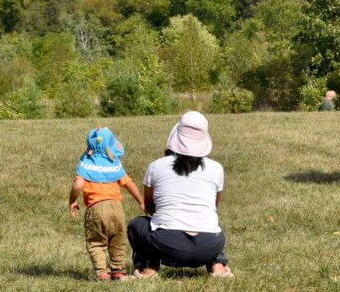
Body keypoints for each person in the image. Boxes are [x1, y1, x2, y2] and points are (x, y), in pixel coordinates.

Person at [127, 111, 233, 278]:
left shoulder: (156, 166)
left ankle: (149, 269)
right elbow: (214, 205)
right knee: (212, 221)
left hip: (167, 245)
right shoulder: (216, 168)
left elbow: (149, 206)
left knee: (137, 224)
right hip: (210, 244)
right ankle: (218, 266)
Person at [68, 126, 144, 281]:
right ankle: (118, 271)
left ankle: (103, 273)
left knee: (96, 242)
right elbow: (129, 184)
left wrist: (72, 201)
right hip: (116, 208)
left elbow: (77, 185)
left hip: (95, 209)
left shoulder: (86, 164)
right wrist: (141, 202)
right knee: (118, 240)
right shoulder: (113, 163)